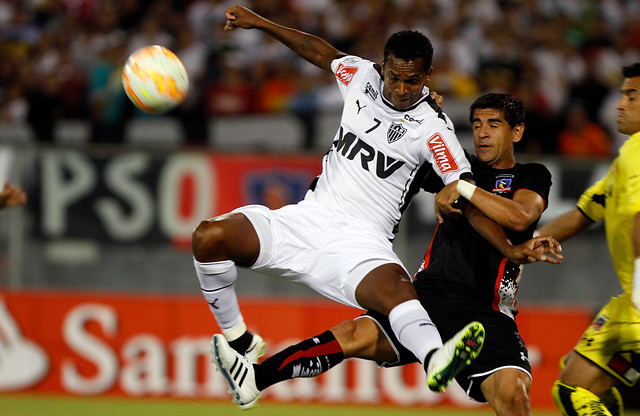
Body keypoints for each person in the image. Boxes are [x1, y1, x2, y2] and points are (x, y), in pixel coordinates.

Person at [194, 5, 496, 407]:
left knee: (398, 294)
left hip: (362, 242)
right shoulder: (360, 76)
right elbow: (321, 52)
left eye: (413, 80)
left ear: (427, 77)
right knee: (209, 236)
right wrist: (261, 23)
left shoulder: (433, 126)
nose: (402, 89)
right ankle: (240, 341)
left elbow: (462, 178)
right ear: (382, 66)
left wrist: (453, 189)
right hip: (307, 219)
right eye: (394, 77)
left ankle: (435, 357)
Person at [211, 93, 563, 415]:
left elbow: (521, 215)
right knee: (351, 336)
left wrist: (463, 188)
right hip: (426, 296)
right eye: (476, 124)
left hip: (485, 310)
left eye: (494, 124)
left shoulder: (530, 174)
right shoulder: (454, 167)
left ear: (516, 132)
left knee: (514, 398)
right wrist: (423, 110)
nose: (482, 133)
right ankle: (255, 379)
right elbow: (403, 149)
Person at [536, 63, 640, 416]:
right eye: (622, 94)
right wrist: (521, 246)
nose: (620, 104)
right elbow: (583, 214)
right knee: (590, 379)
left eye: (632, 96)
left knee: (571, 390)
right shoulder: (622, 165)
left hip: (638, 304)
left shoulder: (637, 151)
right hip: (630, 305)